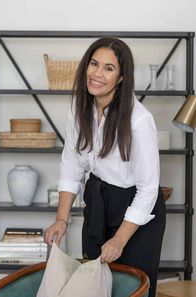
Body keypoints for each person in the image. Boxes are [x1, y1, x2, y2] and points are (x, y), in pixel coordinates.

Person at [45, 37, 166, 297]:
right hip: (98, 200)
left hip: (137, 211)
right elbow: (71, 164)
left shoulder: (139, 120)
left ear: (121, 77)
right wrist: (61, 220)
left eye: (109, 68)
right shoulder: (79, 110)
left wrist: (120, 239)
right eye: (94, 64)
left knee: (130, 287)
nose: (97, 74)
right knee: (92, 286)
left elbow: (148, 189)